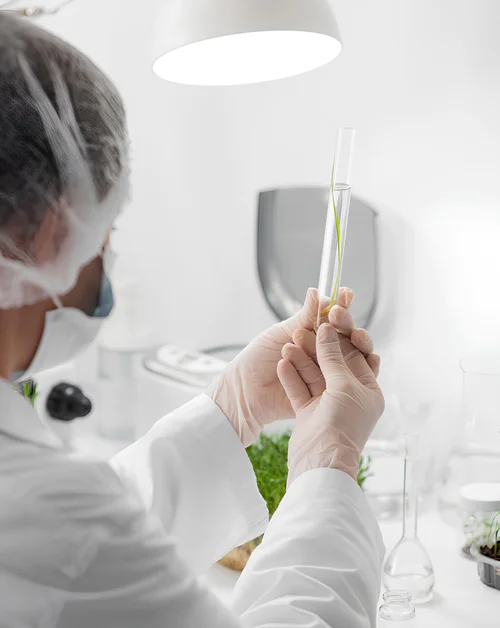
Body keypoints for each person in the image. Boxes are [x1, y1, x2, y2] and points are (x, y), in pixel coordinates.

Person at [0, 13, 385, 628]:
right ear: (52, 231)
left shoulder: (45, 513)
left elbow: (87, 555)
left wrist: (235, 409)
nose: (108, 255)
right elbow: (81, 546)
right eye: (107, 230)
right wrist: (327, 468)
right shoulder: (56, 523)